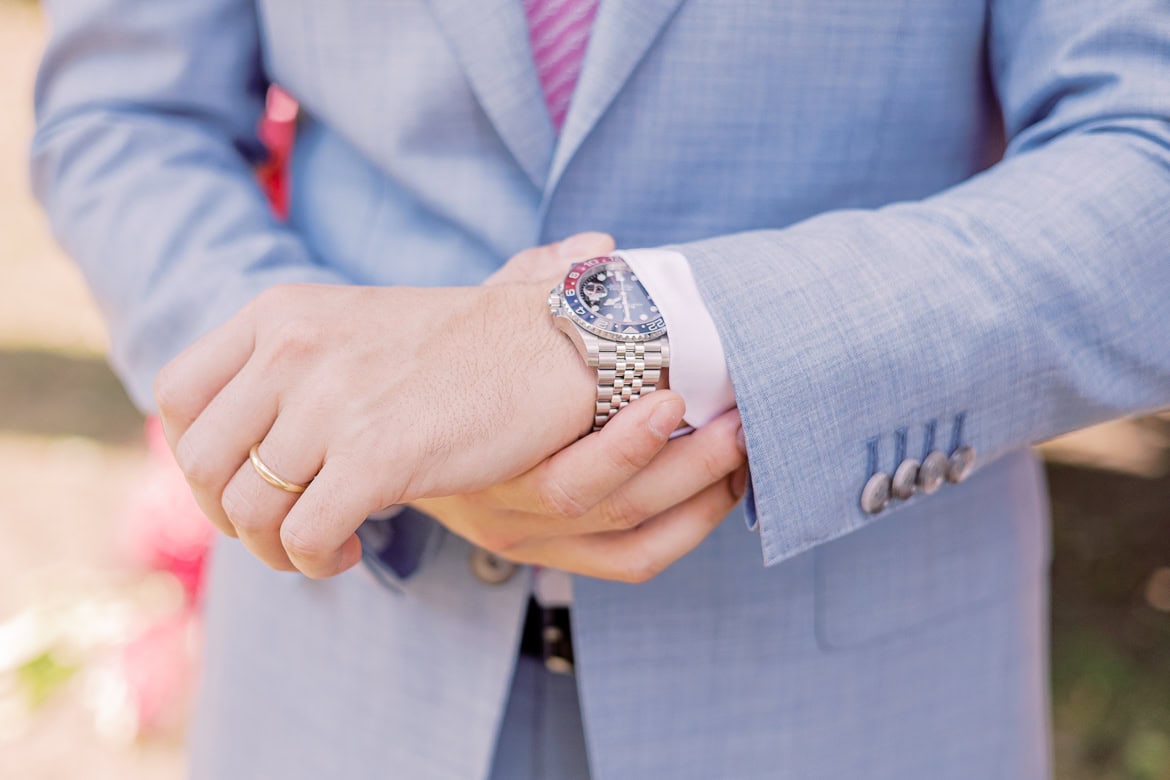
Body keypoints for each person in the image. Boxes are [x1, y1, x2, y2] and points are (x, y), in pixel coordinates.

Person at [30, 0, 1170, 777]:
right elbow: (127, 119)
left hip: (851, 698)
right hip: (337, 680)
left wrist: (611, 344)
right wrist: (344, 428)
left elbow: (1147, 163)